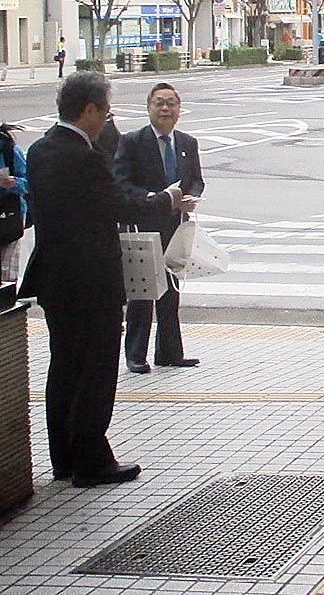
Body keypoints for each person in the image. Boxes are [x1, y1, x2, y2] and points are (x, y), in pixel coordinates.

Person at [19, 71, 182, 488]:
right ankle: (91, 459)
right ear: (89, 110)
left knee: (64, 367)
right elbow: (119, 205)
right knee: (95, 370)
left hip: (54, 279)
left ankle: (64, 458)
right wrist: (166, 199)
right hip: (92, 282)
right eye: (106, 112)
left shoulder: (40, 150)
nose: (108, 120)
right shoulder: (85, 158)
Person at [115, 83, 204, 374]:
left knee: (171, 291)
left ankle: (169, 352)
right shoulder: (132, 142)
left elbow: (196, 180)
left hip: (175, 227)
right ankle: (135, 354)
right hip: (142, 226)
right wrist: (156, 198)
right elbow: (122, 184)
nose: (165, 109)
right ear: (148, 108)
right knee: (142, 294)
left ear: (179, 109)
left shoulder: (187, 143)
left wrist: (190, 197)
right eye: (159, 103)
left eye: (171, 103)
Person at [0, 123, 29, 283]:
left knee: (7, 270)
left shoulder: (9, 151)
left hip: (9, 215)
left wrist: (13, 183)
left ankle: (8, 296)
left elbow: (28, 183)